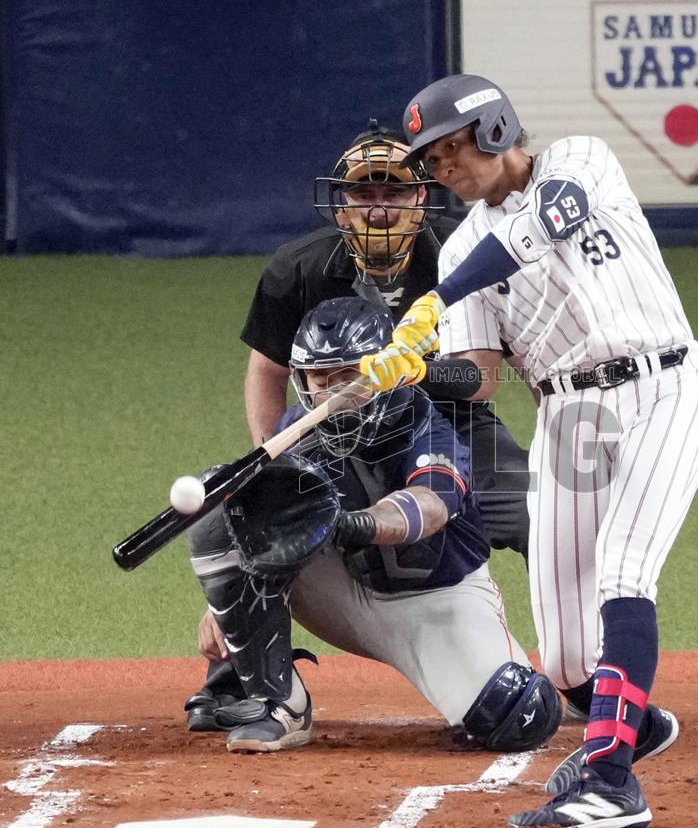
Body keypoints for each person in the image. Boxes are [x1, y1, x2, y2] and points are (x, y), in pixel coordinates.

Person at [358, 74, 698, 828]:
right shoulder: (461, 246)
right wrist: (412, 367)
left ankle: (611, 783)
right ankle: (632, 726)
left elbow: (546, 225)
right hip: (573, 419)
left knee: (624, 571)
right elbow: (482, 380)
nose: (440, 167)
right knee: (562, 659)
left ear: (494, 130)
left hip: (664, 390)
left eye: (448, 147)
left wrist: (439, 295)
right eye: (430, 158)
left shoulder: (578, 163)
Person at [184, 297, 562, 754]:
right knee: (222, 514)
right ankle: (280, 703)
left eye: (349, 377)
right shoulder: (299, 432)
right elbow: (260, 528)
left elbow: (428, 506)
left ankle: (573, 681)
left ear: (385, 373)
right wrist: (226, 603)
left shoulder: (427, 424)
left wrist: (355, 524)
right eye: (320, 380)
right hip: (345, 598)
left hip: (439, 601)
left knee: (516, 713)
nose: (332, 395)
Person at [240, 119, 530, 558]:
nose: (379, 209)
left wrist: (409, 373)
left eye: (394, 193)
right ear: (341, 204)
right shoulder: (297, 268)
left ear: (419, 199)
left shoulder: (466, 252)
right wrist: (273, 457)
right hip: (337, 426)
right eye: (364, 194)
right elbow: (267, 370)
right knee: (273, 532)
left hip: (453, 418)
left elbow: (486, 376)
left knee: (538, 513)